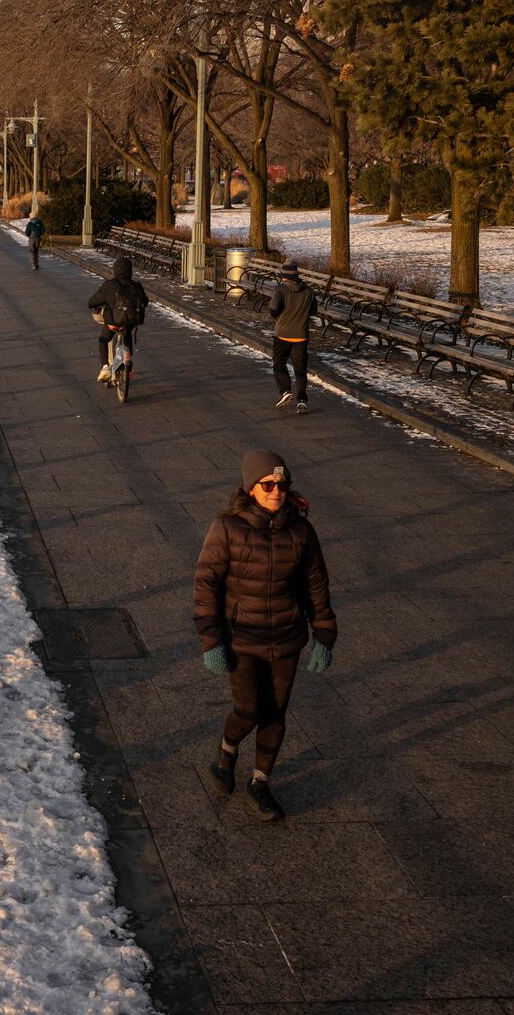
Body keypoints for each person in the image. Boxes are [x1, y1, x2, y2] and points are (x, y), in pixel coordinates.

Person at [193, 450, 337, 822]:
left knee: (275, 713)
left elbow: (316, 585)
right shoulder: (227, 528)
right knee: (248, 710)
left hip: (287, 638)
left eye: (282, 485)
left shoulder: (302, 531)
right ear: (251, 488)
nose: (276, 491)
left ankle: (260, 783)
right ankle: (227, 751)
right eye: (268, 485)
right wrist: (212, 640)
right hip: (242, 639)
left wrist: (323, 633)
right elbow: (206, 584)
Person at [85, 256, 147, 383]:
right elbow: (145, 301)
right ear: (130, 271)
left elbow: (92, 302)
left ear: (115, 270)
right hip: (131, 322)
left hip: (113, 323)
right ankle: (128, 359)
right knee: (127, 332)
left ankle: (105, 367)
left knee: (103, 340)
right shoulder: (137, 286)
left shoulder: (110, 285)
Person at [268, 260, 315, 414]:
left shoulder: (280, 289)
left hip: (282, 334)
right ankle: (302, 400)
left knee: (279, 363)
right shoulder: (308, 291)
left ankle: (285, 391)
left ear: (285, 277)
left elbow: (273, 309)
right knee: (300, 369)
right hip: (301, 335)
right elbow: (313, 310)